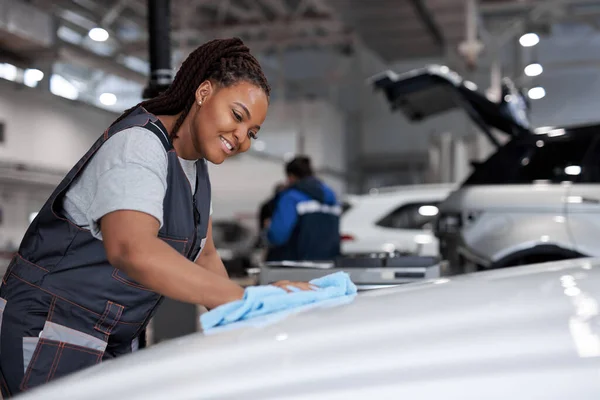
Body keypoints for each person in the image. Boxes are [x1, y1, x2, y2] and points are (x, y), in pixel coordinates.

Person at [0, 38, 313, 396]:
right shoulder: (139, 145)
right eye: (238, 116)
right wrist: (240, 300)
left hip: (111, 337)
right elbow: (132, 248)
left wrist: (254, 313)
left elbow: (206, 257)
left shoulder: (196, 171)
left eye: (252, 133)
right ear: (204, 92)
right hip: (51, 329)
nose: (241, 137)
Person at [266, 156, 341, 261]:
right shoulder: (332, 197)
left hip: (297, 265)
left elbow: (277, 236)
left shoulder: (291, 197)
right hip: (329, 262)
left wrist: (268, 228)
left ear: (291, 176)